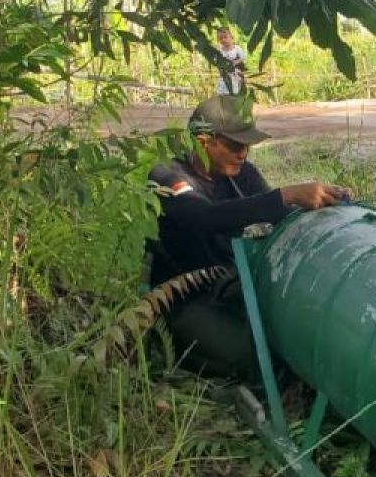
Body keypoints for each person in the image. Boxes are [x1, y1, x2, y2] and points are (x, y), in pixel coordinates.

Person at [146, 95, 349, 380]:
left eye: (247, 145)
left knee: (297, 337)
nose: (243, 153)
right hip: (183, 299)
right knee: (255, 358)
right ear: (204, 142)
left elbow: (280, 215)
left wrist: (323, 204)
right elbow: (205, 218)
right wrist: (285, 195)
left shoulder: (244, 175)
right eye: (235, 145)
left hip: (231, 285)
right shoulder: (167, 176)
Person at [215, 27, 246, 96]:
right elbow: (217, 62)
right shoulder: (219, 50)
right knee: (223, 93)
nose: (223, 40)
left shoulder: (237, 49)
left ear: (231, 37)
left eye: (225, 37)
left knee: (235, 92)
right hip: (224, 75)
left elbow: (243, 58)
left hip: (235, 75)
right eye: (221, 38)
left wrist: (235, 62)